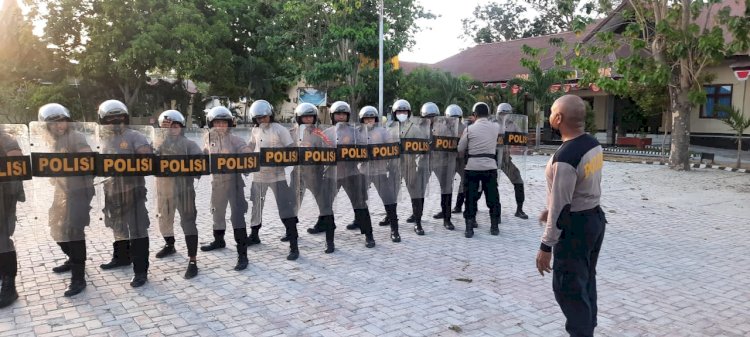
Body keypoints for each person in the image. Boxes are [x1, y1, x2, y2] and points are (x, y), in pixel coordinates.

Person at [536, 95, 606, 337]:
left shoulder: (566, 157)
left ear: (558, 118)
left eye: (551, 111)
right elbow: (581, 186)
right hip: (593, 219)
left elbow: (561, 207)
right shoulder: (591, 143)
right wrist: (553, 207)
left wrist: (546, 246)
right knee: (585, 279)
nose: (549, 116)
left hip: (574, 227)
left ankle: (581, 332)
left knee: (568, 288)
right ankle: (588, 327)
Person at [37, 103, 95, 297]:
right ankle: (73, 258)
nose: (59, 126)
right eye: (54, 123)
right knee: (55, 226)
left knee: (74, 231)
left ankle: (78, 278)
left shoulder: (75, 137)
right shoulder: (54, 141)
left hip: (79, 191)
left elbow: (88, 159)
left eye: (62, 121)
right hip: (62, 191)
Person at [98, 99, 152, 288]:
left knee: (137, 230)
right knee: (117, 227)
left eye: (118, 118)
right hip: (111, 191)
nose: (115, 122)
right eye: (110, 119)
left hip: (133, 190)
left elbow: (146, 157)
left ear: (125, 119)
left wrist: (144, 154)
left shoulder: (135, 136)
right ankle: (121, 258)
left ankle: (141, 270)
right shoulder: (102, 139)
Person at [247, 100, 301, 260]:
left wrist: (281, 161)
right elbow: (251, 145)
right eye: (258, 118)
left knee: (285, 209)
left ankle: (294, 245)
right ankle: (254, 235)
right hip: (258, 176)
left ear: (270, 115)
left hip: (277, 176)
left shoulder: (279, 130)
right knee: (256, 207)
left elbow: (291, 149)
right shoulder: (255, 130)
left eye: (264, 117)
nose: (261, 120)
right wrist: (244, 151)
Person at [153, 110, 202, 279]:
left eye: (176, 126)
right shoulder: (160, 142)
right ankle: (170, 244)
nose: (173, 129)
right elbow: (150, 156)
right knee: (164, 219)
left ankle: (193, 260)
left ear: (181, 127)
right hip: (164, 189)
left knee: (188, 222)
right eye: (169, 126)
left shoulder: (189, 144)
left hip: (184, 190)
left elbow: (200, 165)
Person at [201, 106, 250, 271]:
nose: (220, 126)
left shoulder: (236, 140)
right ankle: (219, 240)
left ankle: (242, 254)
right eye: (217, 123)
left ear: (229, 124)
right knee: (217, 212)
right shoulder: (208, 137)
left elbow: (246, 152)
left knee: (237, 218)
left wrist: (247, 154)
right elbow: (205, 153)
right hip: (217, 183)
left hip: (234, 183)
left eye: (224, 123)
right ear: (211, 123)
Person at [288, 103, 337, 253]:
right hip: (296, 173)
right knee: (292, 205)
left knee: (325, 205)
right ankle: (290, 232)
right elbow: (283, 150)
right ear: (298, 118)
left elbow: (330, 150)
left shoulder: (319, 133)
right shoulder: (291, 133)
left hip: (315, 174)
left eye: (311, 116)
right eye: (305, 117)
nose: (308, 119)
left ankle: (330, 240)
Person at [327, 101, 376, 248]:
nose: (341, 116)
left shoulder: (356, 132)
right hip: (331, 174)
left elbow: (364, 149)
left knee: (360, 205)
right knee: (326, 207)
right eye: (338, 113)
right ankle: (329, 240)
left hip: (352, 173)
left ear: (348, 116)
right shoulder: (326, 132)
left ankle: (369, 235)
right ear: (333, 116)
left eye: (343, 114)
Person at [457, 102, 501, 238]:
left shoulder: (469, 129)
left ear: (474, 115)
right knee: (493, 197)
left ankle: (469, 228)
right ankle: (494, 227)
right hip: (490, 166)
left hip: (473, 166)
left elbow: (460, 149)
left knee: (470, 197)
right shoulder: (496, 127)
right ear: (488, 114)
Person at [360, 106, 401, 242]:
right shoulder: (358, 132)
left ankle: (395, 229)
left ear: (375, 119)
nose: (369, 121)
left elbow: (392, 148)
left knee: (389, 200)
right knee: (361, 201)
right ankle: (367, 233)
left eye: (371, 118)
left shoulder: (383, 132)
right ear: (362, 119)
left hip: (380, 171)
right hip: (364, 171)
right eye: (366, 118)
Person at [395, 99, 430, 236]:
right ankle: (389, 217)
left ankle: (418, 221)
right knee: (391, 194)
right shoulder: (390, 127)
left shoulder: (415, 128)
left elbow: (422, 147)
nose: (402, 113)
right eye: (399, 111)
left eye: (404, 111)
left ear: (408, 113)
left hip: (409, 165)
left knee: (415, 193)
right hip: (393, 166)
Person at [0, 127, 26, 307]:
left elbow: (17, 164)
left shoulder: (5, 138)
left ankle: (10, 285)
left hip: (4, 196)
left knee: (2, 239)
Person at [496, 103, 528, 219]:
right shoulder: (493, 124)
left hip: (505, 158)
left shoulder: (513, 125)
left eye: (507, 113)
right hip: (492, 157)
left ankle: (519, 209)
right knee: (487, 184)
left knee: (518, 179)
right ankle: (472, 209)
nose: (504, 116)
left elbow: (520, 138)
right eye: (502, 113)